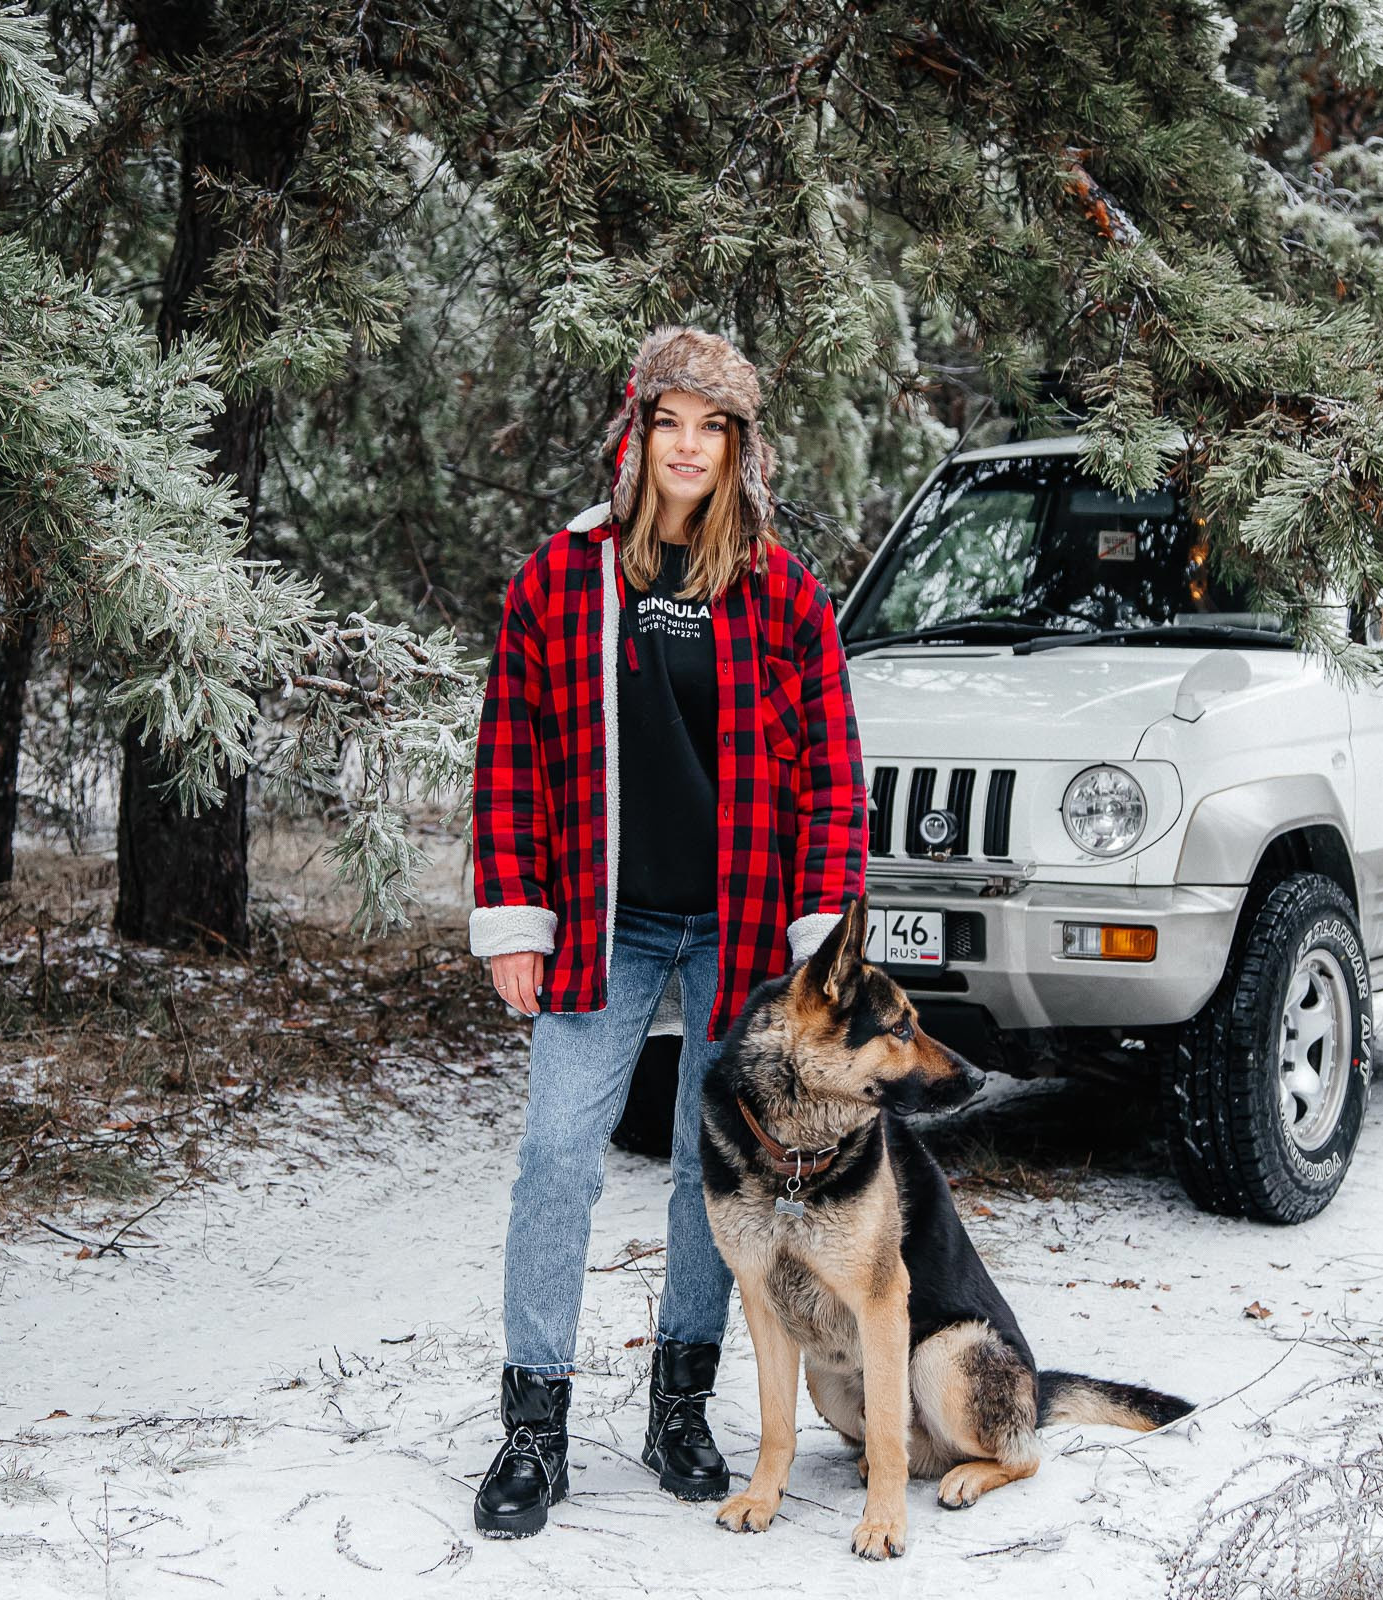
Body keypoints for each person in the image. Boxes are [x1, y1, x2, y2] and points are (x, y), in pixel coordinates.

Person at [466, 326, 869, 1537]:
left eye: (715, 427)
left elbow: (836, 774)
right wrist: (512, 919)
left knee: (718, 1171)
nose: (688, 447)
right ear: (634, 435)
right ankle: (533, 1426)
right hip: (603, 921)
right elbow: (511, 762)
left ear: (740, 448)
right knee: (557, 1155)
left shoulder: (783, 592)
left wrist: (822, 943)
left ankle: (680, 1404)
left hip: (743, 931)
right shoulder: (561, 577)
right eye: (669, 422)